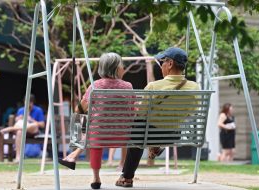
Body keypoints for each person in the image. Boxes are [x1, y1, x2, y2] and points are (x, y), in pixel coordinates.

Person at [115, 47, 200, 188]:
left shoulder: (154, 86)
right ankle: (154, 146)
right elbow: (191, 112)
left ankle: (127, 178)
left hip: (148, 134)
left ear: (170, 64)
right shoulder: (194, 87)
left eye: (162, 62)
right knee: (144, 128)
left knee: (138, 129)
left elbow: (141, 113)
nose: (160, 66)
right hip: (173, 135)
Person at [58, 52, 134, 189]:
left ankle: (95, 177)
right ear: (116, 68)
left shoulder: (95, 85)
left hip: (99, 136)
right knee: (95, 128)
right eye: (123, 65)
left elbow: (80, 109)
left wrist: (80, 110)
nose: (124, 68)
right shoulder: (128, 86)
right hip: (122, 135)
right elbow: (133, 110)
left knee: (81, 121)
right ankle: (73, 156)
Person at [0, 94, 45, 162]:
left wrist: (31, 119)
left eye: (29, 102)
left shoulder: (38, 110)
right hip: (23, 130)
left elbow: (42, 125)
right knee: (19, 132)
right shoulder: (21, 110)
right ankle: (18, 157)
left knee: (35, 125)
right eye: (25, 102)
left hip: (33, 131)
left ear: (32, 102)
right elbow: (18, 122)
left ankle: (11, 129)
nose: (27, 104)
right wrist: (18, 119)